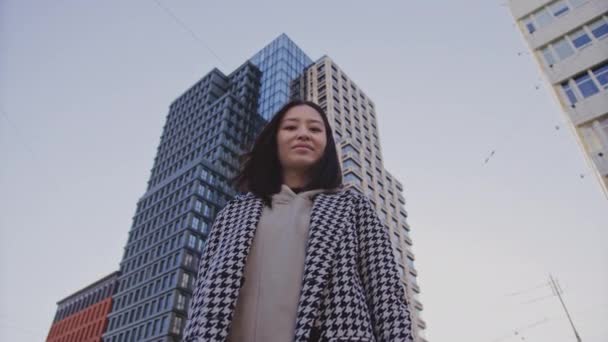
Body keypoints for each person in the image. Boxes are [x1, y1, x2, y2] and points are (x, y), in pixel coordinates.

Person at [182, 100, 413, 342]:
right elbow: (201, 301)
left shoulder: (352, 206)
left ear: (327, 145)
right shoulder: (232, 213)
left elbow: (386, 295)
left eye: (315, 129)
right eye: (291, 127)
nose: (303, 134)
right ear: (274, 140)